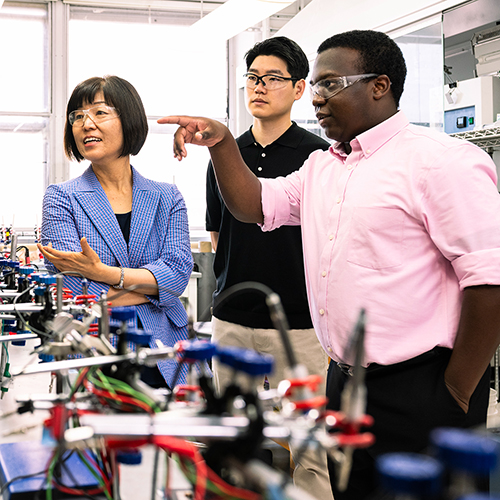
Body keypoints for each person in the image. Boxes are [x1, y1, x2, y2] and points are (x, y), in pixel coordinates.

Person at [160, 29, 500, 498]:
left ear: (379, 86)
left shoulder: (441, 162)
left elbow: (490, 280)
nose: (316, 98)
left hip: (422, 384)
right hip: (343, 380)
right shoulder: (325, 166)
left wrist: (457, 391)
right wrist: (221, 143)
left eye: (329, 85)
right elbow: (254, 204)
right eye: (315, 86)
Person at [206, 36, 333, 499]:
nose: (259, 87)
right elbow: (219, 235)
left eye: (273, 78)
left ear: (299, 88)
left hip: (299, 326)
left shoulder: (320, 157)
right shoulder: (224, 153)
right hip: (232, 321)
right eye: (253, 78)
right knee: (233, 436)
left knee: (308, 444)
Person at [38, 75, 193, 389]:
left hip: (164, 347)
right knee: (94, 435)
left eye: (99, 112)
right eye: (77, 116)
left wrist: (101, 272)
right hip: (94, 345)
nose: (86, 123)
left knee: (170, 434)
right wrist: (151, 290)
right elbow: (73, 290)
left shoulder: (167, 197)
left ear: (129, 120)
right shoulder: (60, 198)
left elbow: (177, 275)